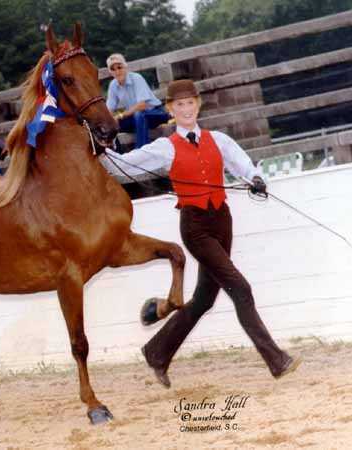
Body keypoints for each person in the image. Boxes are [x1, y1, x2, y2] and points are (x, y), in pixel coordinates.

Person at [100, 79, 301, 388]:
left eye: (190, 103)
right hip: (195, 226)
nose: (185, 109)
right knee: (241, 289)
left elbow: (242, 163)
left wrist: (256, 178)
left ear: (198, 104)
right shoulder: (165, 148)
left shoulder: (218, 139)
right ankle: (276, 359)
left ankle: (156, 352)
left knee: (205, 298)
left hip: (223, 220)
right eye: (178, 105)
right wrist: (100, 150)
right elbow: (124, 166)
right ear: (170, 109)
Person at [106, 53, 169, 149]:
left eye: (119, 67)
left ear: (125, 67)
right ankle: (119, 156)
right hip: (137, 119)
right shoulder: (113, 85)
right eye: (113, 69)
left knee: (139, 114)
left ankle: (142, 150)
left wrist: (120, 115)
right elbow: (109, 110)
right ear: (110, 72)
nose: (117, 71)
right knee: (112, 126)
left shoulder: (136, 78)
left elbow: (142, 105)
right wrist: (110, 121)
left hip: (156, 113)